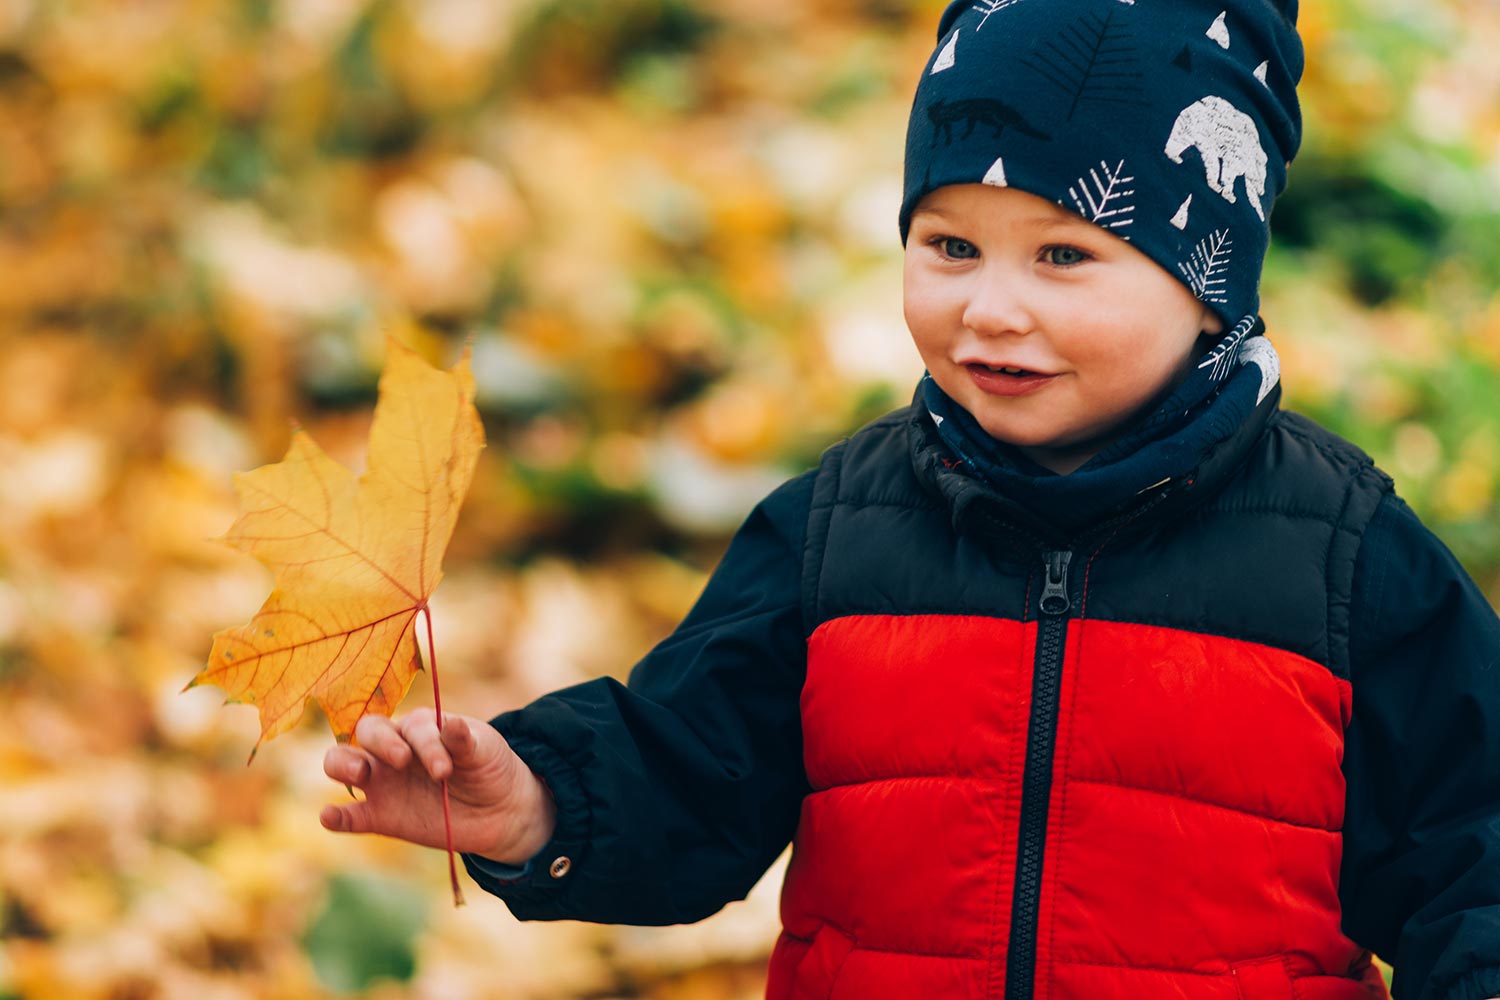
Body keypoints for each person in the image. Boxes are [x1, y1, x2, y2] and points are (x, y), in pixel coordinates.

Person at [319, 1, 1500, 997]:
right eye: (949, 245)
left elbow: (1471, 854)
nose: (990, 307)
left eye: (1063, 255)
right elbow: (688, 769)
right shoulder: (837, 530)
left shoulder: (1347, 560)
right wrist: (532, 805)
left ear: (1209, 286)